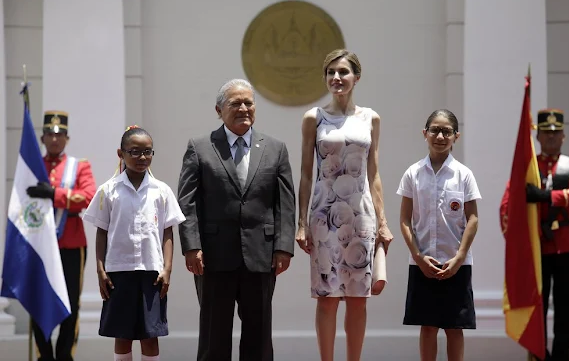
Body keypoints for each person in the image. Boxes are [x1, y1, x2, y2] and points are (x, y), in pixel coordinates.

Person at [177, 78, 296, 361]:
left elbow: (286, 203)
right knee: (214, 336)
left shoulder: (275, 148)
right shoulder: (200, 147)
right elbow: (187, 201)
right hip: (214, 256)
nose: (244, 108)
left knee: (259, 335)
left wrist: (283, 247)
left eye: (249, 102)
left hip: (261, 255)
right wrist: (191, 246)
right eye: (235, 103)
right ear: (219, 110)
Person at [295, 49, 393, 361]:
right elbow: (306, 174)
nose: (337, 78)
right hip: (324, 215)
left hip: (361, 216)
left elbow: (374, 173)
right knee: (327, 298)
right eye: (331, 73)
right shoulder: (314, 117)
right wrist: (301, 223)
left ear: (356, 77)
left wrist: (384, 221)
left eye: (343, 72)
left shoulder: (370, 118)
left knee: (358, 298)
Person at [82, 126, 185, 361]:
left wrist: (167, 268)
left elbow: (168, 231)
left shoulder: (161, 191)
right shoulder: (108, 191)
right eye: (135, 152)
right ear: (121, 154)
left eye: (148, 152)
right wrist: (100, 269)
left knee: (151, 334)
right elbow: (102, 232)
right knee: (122, 332)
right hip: (119, 271)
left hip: (152, 272)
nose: (142, 158)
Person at [499, 108, 569, 361]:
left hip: (566, 245)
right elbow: (508, 205)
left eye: (556, 133)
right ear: (538, 137)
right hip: (536, 248)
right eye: (547, 133)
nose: (551, 138)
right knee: (535, 307)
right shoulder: (528, 168)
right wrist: (516, 241)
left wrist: (548, 196)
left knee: (566, 307)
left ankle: (562, 356)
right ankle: (540, 356)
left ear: (564, 136)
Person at [396, 109, 480, 361]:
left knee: (455, 327)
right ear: (425, 133)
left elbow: (473, 218)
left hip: (456, 263)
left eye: (446, 131)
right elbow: (404, 219)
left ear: (456, 136)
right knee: (428, 326)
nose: (440, 136)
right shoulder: (413, 173)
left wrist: (459, 257)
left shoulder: (463, 175)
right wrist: (418, 256)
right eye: (435, 130)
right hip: (423, 263)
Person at [26, 110, 97, 361]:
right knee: (37, 302)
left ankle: (65, 355)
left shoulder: (79, 166)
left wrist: (53, 194)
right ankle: (44, 355)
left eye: (60, 135)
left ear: (67, 138)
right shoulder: (32, 165)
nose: (54, 139)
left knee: (70, 306)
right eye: (49, 134)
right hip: (39, 246)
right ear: (43, 138)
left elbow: (89, 198)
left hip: (70, 245)